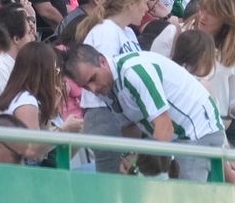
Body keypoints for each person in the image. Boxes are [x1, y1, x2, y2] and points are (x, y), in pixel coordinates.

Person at [65, 44, 225, 181]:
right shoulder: (108, 86)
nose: (93, 89)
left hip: (198, 132)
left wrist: (140, 164)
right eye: (86, 86)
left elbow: (164, 127)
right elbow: (130, 129)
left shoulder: (134, 72)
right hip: (180, 137)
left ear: (102, 61)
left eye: (93, 78)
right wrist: (131, 159)